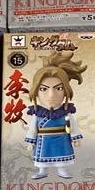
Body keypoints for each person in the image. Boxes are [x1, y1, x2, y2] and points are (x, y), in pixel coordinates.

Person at [24, 51, 85, 179]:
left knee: (61, 157)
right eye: (43, 89)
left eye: (58, 88)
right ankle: (42, 170)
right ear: (36, 91)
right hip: (43, 140)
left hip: (62, 139)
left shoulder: (66, 112)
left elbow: (72, 126)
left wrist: (75, 138)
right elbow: (33, 129)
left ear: (66, 90)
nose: (51, 95)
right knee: (42, 156)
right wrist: (31, 141)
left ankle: (62, 170)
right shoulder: (38, 113)